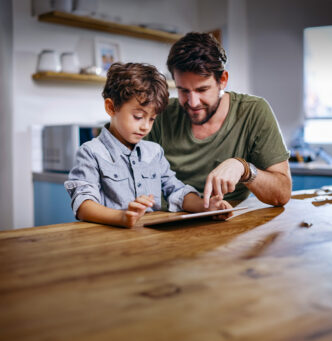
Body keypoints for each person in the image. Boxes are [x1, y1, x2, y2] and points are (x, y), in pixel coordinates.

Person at [64, 62, 233, 228]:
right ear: (111, 107)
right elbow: (83, 205)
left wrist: (207, 207)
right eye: (138, 116)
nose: (145, 126)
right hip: (109, 241)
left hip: (149, 239)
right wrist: (122, 217)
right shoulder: (91, 152)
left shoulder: (154, 152)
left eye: (152, 119)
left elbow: (176, 191)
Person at [147, 32, 292, 208]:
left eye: (202, 90)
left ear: (222, 80)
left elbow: (282, 194)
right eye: (183, 90)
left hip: (225, 223)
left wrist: (244, 169)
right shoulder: (161, 114)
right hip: (163, 222)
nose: (193, 103)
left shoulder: (254, 111)